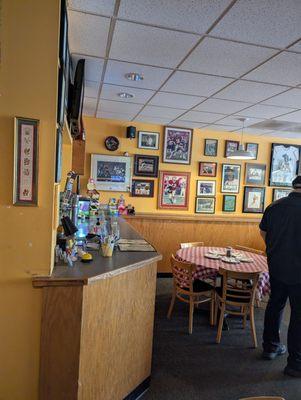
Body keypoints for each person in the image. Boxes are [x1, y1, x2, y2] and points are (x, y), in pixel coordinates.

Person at [259, 175, 301, 377]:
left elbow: (263, 234)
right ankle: (295, 363)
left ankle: (270, 347)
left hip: (276, 266)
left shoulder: (274, 206)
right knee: (298, 316)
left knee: (275, 305)